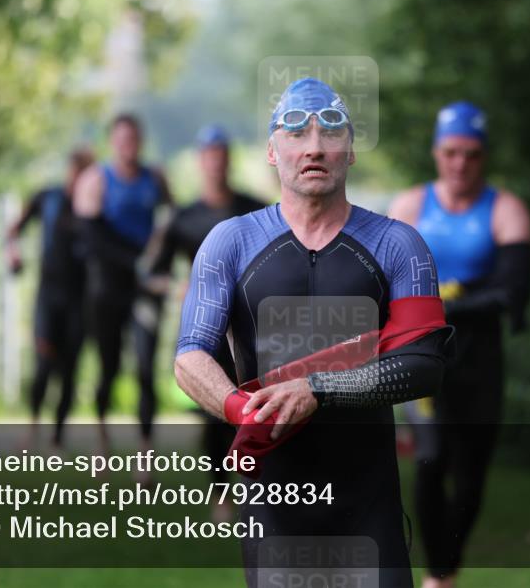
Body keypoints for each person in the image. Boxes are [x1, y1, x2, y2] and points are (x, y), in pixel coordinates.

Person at [174, 78, 455, 587]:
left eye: (330, 134)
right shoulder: (230, 243)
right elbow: (191, 356)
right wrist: (244, 410)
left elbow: (424, 365)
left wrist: (315, 390)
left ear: (350, 151)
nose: (314, 147)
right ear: (271, 152)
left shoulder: (398, 244)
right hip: (274, 502)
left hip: (369, 503)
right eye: (296, 133)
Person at [388, 101, 530, 588]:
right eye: (451, 152)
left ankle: (444, 569)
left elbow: (512, 293)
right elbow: (382, 283)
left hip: (479, 359)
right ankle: (438, 576)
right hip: (423, 355)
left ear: (484, 156)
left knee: (471, 471)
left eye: (471, 154)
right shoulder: (409, 208)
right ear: (436, 153)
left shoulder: (506, 210)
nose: (460, 164)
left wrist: (445, 305)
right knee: (430, 461)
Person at [139, 123, 265, 521]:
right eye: (209, 156)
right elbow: (149, 273)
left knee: (255, 402)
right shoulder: (183, 218)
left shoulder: (255, 208)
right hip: (208, 327)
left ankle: (255, 487)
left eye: (222, 156)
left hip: (250, 325)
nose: (216, 164)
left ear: (229, 160)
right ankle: (221, 494)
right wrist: (179, 285)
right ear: (200, 162)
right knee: (216, 410)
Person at [73, 114, 171, 453]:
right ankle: (102, 440)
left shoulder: (155, 179)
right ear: (111, 142)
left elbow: (170, 224)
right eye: (122, 139)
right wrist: (135, 263)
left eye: (134, 138)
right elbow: (93, 239)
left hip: (145, 291)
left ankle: (145, 451)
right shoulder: (95, 180)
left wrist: (162, 267)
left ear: (140, 141)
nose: (128, 145)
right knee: (109, 368)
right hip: (108, 290)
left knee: (146, 367)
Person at [6, 147, 95, 448]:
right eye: (76, 172)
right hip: (48, 297)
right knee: (44, 364)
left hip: (79, 301)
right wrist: (14, 254)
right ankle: (32, 427)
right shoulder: (48, 198)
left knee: (70, 368)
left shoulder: (94, 209)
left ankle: (58, 437)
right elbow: (13, 230)